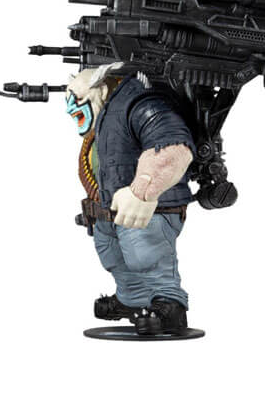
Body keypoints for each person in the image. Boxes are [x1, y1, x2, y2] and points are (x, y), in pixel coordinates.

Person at [66, 65, 195, 335]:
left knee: (146, 255)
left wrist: (143, 190)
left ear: (102, 89)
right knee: (113, 256)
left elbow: (172, 146)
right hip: (108, 210)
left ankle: (169, 305)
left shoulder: (139, 102)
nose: (70, 107)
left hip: (150, 210)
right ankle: (133, 299)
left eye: (77, 97)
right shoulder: (105, 118)